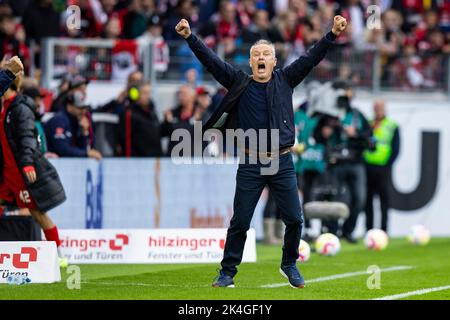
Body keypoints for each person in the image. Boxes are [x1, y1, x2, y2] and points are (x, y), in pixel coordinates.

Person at [175, 15, 347, 288]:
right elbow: (212, 62)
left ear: (275, 61)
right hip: (251, 163)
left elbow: (311, 57)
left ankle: (289, 264)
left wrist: (332, 34)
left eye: (267, 53)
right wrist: (189, 36)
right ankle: (227, 272)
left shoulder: (286, 78)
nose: (262, 57)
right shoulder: (239, 82)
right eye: (257, 54)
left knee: (294, 218)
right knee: (240, 222)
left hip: (282, 161)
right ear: (252, 62)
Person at [0, 56, 68, 267]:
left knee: (38, 213)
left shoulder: (19, 109)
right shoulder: (5, 108)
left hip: (19, 172)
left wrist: (27, 164)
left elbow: (27, 138)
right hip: (6, 172)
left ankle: (59, 256)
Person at [327, 80, 373, 243]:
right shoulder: (329, 115)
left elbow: (370, 136)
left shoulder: (357, 115)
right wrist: (328, 130)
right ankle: (332, 232)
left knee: (359, 198)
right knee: (334, 197)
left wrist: (356, 133)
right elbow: (319, 135)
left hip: (355, 161)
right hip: (336, 162)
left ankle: (348, 230)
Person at [364, 99, 400, 233]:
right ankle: (369, 230)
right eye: (376, 107)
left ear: (385, 109)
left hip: (383, 168)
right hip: (368, 167)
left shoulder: (392, 125)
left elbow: (396, 149)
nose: (378, 110)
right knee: (368, 200)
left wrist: (388, 164)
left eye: (380, 107)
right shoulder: (368, 124)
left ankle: (384, 230)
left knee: (384, 200)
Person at [45, 91, 102, 160]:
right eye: (80, 108)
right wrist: (86, 153)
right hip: (54, 164)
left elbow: (82, 149)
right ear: (69, 106)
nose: (83, 111)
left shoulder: (78, 120)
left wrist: (84, 132)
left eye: (85, 108)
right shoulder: (59, 120)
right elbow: (62, 150)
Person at [118, 81, 162, 157]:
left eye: (149, 93)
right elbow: (126, 142)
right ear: (135, 94)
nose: (148, 96)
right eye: (144, 93)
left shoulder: (152, 112)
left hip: (154, 160)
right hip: (137, 162)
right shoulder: (129, 114)